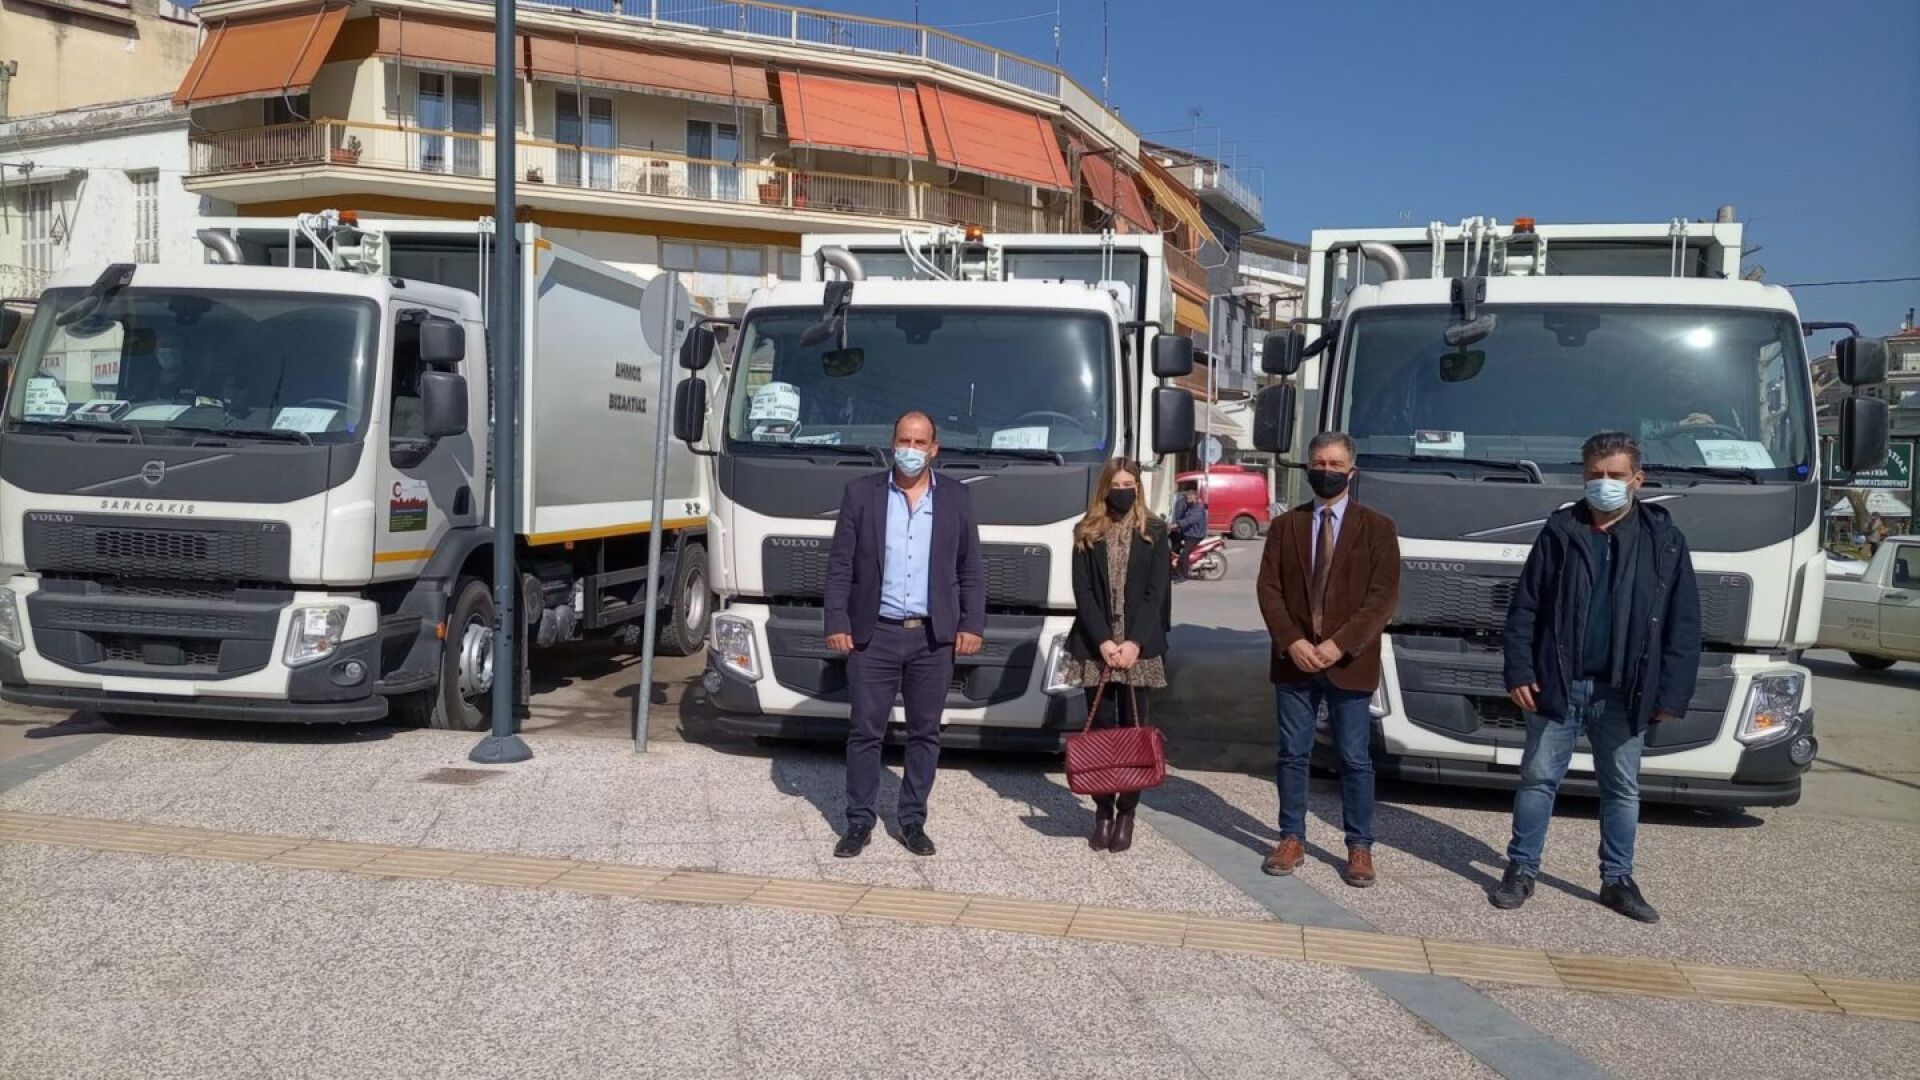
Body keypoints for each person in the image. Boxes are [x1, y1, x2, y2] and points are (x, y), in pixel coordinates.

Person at [1492, 431, 1701, 923]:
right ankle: (1521, 870)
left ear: (1637, 479)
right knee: (1538, 779)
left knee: (1622, 787)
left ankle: (1617, 880)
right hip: (1559, 683)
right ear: (1583, 476)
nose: (1604, 483)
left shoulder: (1664, 541)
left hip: (1624, 690)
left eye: (1615, 475)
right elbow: (1525, 607)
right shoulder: (1561, 531)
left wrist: (1671, 693)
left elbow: (1684, 623)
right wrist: (1519, 668)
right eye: (1595, 474)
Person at [823, 411, 985, 859]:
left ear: (934, 449)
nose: (910, 450)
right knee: (865, 731)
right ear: (892, 443)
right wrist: (836, 621)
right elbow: (840, 565)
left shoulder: (955, 498)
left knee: (925, 732)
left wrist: (972, 623)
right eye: (903, 440)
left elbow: (971, 567)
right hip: (874, 634)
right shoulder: (862, 494)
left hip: (932, 638)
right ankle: (859, 821)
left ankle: (912, 820)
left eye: (919, 442)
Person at [1256, 432, 1400, 888]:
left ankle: (1359, 846)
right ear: (1308, 467)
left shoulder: (1377, 528)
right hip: (1294, 662)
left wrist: (1341, 644)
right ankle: (1291, 838)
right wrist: (1292, 640)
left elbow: (1382, 598)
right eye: (1319, 463)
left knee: (1354, 758)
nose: (1327, 471)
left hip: (1348, 663)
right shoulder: (1286, 526)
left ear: (1351, 471)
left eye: (1336, 464)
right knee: (1292, 754)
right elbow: (1269, 589)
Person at [1064, 459, 1172, 853]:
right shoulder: (1086, 530)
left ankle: (1127, 812)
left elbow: (1156, 593)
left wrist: (1134, 642)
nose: (1123, 491)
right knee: (1101, 731)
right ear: (1105, 488)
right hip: (1097, 647)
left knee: (1133, 732)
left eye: (1130, 484)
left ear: (1138, 488)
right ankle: (1102, 811)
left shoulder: (1154, 531)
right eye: (1117, 484)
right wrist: (1105, 642)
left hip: (1138, 649)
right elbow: (1083, 593)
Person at [1173, 492, 1208, 580]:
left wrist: (1178, 524)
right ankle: (1175, 570)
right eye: (1187, 499)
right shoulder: (1189, 507)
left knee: (1184, 553)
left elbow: (1190, 520)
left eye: (1189, 499)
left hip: (1195, 535)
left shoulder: (1198, 508)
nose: (1188, 501)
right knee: (1175, 545)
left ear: (1195, 498)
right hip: (1188, 533)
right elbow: (1182, 517)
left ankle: (1184, 575)